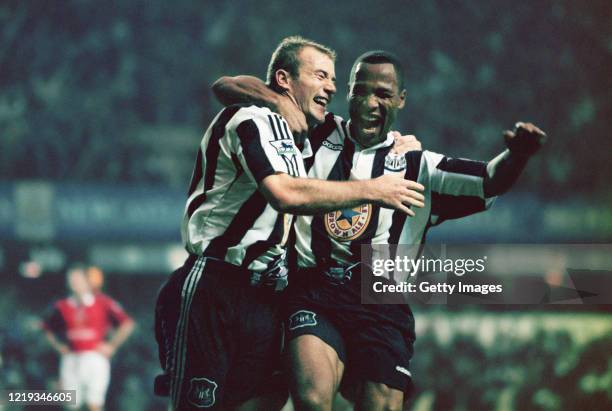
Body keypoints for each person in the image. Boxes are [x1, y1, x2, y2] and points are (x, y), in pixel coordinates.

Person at [213, 50, 547, 411]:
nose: (369, 103)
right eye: (360, 91)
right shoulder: (316, 132)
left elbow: (489, 180)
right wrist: (280, 103)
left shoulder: (420, 166)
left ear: (401, 99)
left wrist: (518, 155)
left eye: (383, 94)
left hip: (380, 296)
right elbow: (228, 86)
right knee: (311, 399)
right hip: (315, 289)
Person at [153, 37, 425, 411]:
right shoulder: (251, 118)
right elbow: (284, 192)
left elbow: (359, 143)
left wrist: (393, 145)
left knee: (267, 401)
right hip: (217, 284)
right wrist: (373, 189)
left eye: (332, 78)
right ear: (284, 79)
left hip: (268, 296)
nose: (331, 86)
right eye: (320, 75)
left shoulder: (306, 140)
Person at [42, 264, 135, 411]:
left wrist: (111, 345)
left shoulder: (103, 302)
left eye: (77, 279)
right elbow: (46, 328)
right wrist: (58, 346)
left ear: (87, 281)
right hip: (71, 359)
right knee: (72, 405)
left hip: (95, 359)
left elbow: (127, 323)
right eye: (71, 279)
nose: (74, 282)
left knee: (94, 404)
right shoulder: (62, 306)